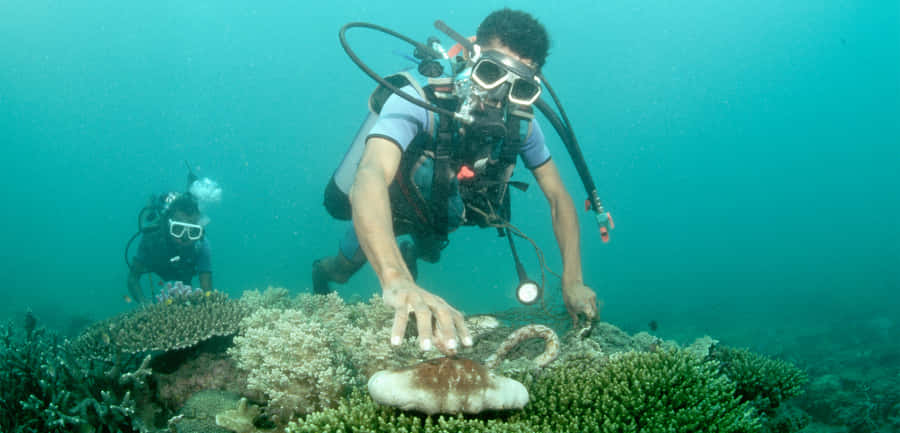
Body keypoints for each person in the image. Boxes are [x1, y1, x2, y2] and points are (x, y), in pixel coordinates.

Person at [315, 9, 601, 355]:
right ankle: (325, 271)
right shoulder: (419, 98)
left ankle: (411, 255)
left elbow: (558, 197)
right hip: (389, 210)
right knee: (343, 270)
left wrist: (573, 281)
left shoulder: (522, 123)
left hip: (442, 217)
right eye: (491, 73)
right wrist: (396, 279)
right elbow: (371, 173)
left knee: (428, 251)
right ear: (471, 57)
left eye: (519, 87)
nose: (498, 97)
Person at [127, 193, 212, 303]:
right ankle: (151, 203)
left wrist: (206, 305)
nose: (184, 238)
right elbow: (132, 278)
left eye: (193, 232)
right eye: (177, 229)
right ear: (168, 225)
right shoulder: (151, 238)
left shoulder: (201, 244)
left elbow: (207, 291)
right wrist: (144, 304)